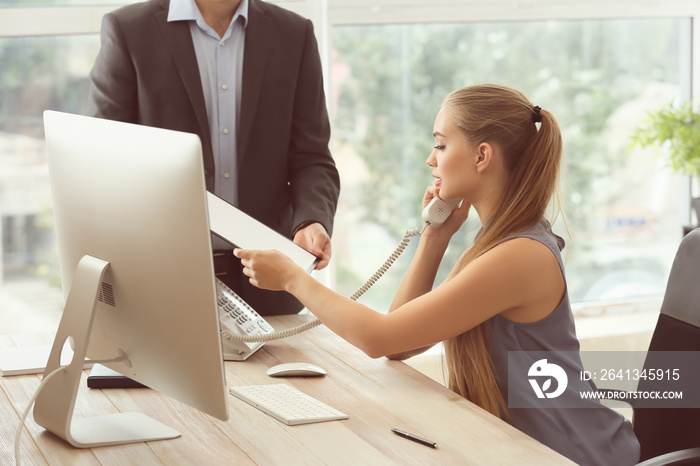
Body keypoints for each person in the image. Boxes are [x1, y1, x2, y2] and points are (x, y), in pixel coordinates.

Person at [234, 84, 641, 465]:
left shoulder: (519, 255)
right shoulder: (499, 242)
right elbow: (400, 344)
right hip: (522, 448)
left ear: (482, 156)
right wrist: (434, 237)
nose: (431, 159)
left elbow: (380, 338)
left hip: (571, 454)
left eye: (441, 145)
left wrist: (293, 278)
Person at [87, 0, 340, 315]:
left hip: (269, 285)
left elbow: (312, 157)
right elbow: (102, 160)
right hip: (161, 281)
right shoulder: (128, 29)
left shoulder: (294, 33)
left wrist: (311, 219)